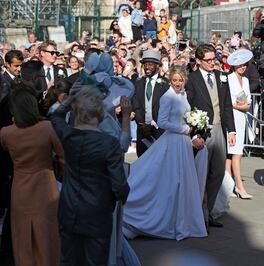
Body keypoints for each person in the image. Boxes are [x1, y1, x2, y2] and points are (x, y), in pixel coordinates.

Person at [123, 66, 208, 240]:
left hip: (183, 143)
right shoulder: (167, 97)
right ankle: (165, 220)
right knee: (170, 181)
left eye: (180, 80)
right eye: (174, 80)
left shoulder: (183, 95)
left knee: (181, 181)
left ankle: (180, 220)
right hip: (172, 142)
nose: (177, 83)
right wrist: (184, 129)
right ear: (170, 80)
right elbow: (162, 122)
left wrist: (193, 126)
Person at [50, 86, 130, 265]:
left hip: (69, 209)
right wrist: (116, 199)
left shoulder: (69, 136)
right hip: (97, 211)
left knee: (68, 260)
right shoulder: (109, 144)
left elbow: (55, 116)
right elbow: (120, 186)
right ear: (99, 112)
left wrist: (71, 99)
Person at [0, 83, 64, 266]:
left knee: (22, 238)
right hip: (46, 187)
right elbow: (63, 158)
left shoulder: (6, 133)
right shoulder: (47, 128)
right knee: (47, 236)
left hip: (20, 189)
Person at [186, 44, 236, 228]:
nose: (212, 63)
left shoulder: (220, 76)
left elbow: (227, 105)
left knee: (217, 172)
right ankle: (199, 212)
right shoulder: (191, 79)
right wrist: (192, 134)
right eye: (207, 60)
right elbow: (187, 107)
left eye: (213, 59)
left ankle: (209, 210)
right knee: (201, 173)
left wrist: (231, 130)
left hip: (219, 128)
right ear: (198, 61)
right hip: (202, 131)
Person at [0, 50, 23, 261]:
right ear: (7, 64)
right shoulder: (4, 83)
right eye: (15, 66)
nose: (18, 69)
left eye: (20, 66)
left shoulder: (18, 81)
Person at [225, 49, 253, 199]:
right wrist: (237, 106)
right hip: (233, 117)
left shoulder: (246, 80)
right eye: (240, 65)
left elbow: (248, 101)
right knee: (235, 153)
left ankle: (229, 186)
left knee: (232, 154)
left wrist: (243, 105)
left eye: (245, 65)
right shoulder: (228, 78)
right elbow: (227, 101)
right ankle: (239, 187)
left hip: (242, 117)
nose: (243, 67)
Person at [132, 50, 169, 156]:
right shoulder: (138, 83)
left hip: (160, 131)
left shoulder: (165, 84)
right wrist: (142, 124)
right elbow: (136, 104)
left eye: (150, 64)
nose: (147, 67)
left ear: (157, 65)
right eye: (145, 64)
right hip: (142, 131)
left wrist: (154, 126)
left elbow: (167, 107)